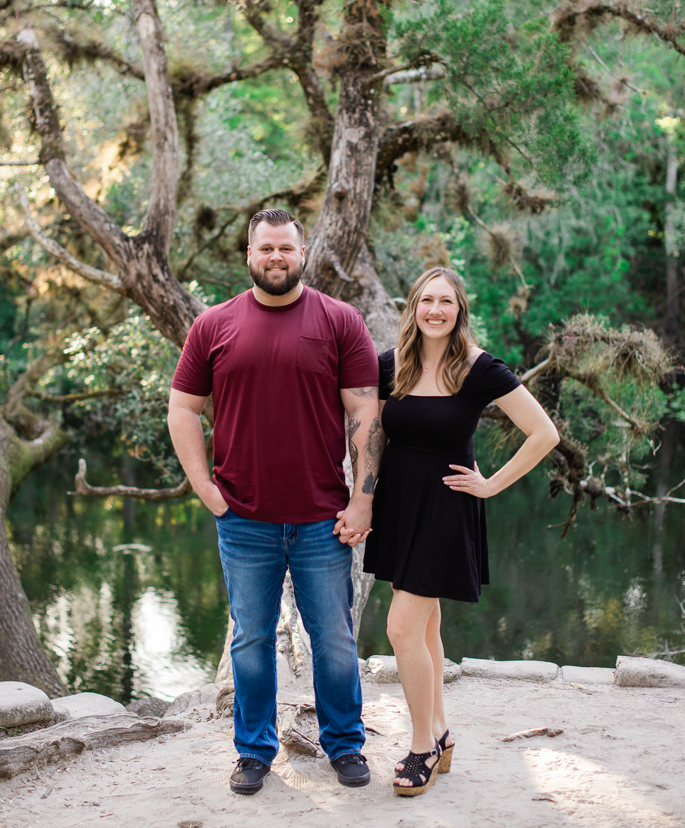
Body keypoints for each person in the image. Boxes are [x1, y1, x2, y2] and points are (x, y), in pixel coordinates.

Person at [167, 209, 381, 796]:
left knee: (332, 638)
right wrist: (203, 486)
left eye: (286, 248)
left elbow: (365, 413)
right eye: (266, 249)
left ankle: (344, 745)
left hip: (322, 517)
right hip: (243, 519)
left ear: (302, 252)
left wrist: (362, 501)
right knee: (251, 638)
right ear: (249, 254)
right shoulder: (213, 325)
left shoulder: (341, 321)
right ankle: (254, 752)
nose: (277, 258)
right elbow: (183, 409)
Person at [357, 266, 559, 796]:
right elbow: (373, 436)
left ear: (459, 310)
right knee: (424, 628)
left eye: (446, 302)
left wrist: (492, 484)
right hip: (400, 508)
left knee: (402, 629)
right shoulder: (390, 365)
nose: (436, 311)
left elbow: (544, 433)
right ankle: (441, 736)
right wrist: (366, 498)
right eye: (427, 301)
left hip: (446, 509)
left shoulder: (479, 369)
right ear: (414, 308)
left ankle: (422, 744)